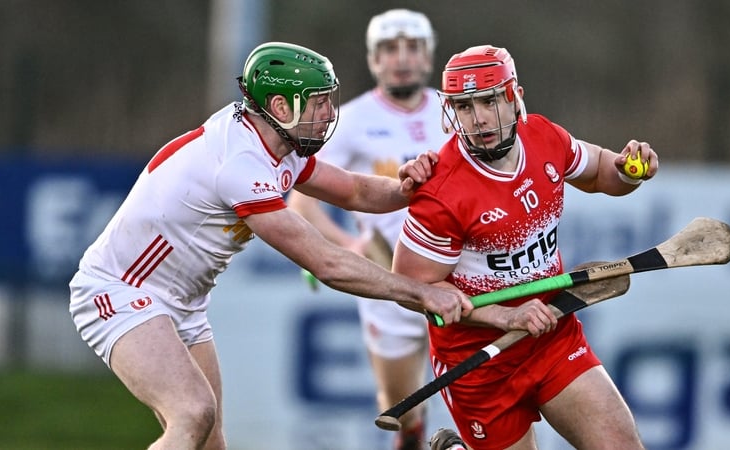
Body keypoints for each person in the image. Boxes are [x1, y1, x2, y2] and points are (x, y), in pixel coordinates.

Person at [68, 41, 473, 450]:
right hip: (120, 291)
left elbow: (354, 190)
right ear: (280, 107)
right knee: (192, 412)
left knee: (210, 442)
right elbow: (328, 264)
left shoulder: (279, 142)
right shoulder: (241, 165)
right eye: (317, 103)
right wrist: (421, 293)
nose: (329, 114)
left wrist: (411, 187)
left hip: (184, 302)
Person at [392, 44, 657, 450]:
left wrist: (628, 173)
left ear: (514, 96)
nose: (478, 118)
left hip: (553, 337)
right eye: (463, 107)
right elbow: (413, 291)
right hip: (478, 363)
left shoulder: (544, 137)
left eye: (488, 101)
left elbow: (602, 171)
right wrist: (503, 316)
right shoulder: (442, 192)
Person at [286, 9, 446, 450]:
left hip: (457, 278)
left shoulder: (455, 113)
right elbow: (300, 204)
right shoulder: (349, 121)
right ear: (373, 60)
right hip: (389, 285)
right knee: (404, 412)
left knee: (489, 404)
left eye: (412, 47)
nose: (401, 58)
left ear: (428, 56)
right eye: (389, 49)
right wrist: (349, 245)